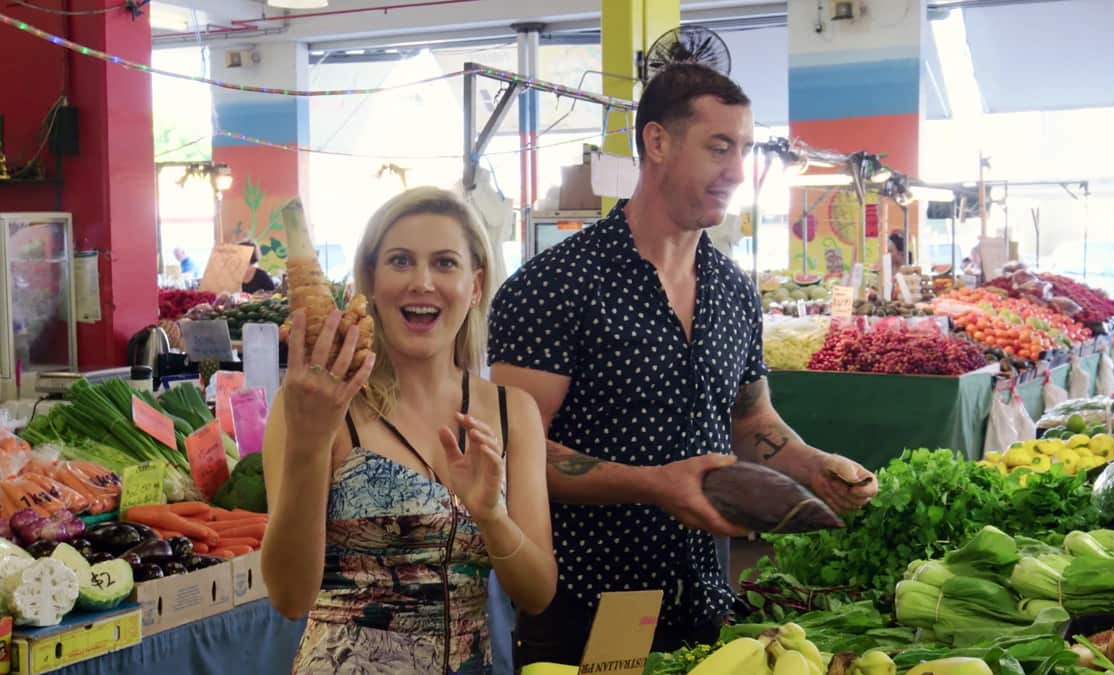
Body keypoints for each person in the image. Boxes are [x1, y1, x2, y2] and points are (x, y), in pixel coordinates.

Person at [487, 64, 879, 667]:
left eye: (744, 149)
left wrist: (816, 466)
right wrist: (653, 484)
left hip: (704, 600)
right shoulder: (556, 286)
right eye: (719, 147)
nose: (736, 172)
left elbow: (752, 421)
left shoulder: (733, 291)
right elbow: (515, 453)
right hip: (588, 601)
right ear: (658, 142)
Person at [261, 187, 557, 674]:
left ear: (476, 285)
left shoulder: (511, 411)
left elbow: (538, 592)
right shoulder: (318, 407)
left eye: (445, 263)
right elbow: (290, 598)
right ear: (371, 281)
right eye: (400, 261)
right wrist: (309, 445)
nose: (422, 281)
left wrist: (492, 516)